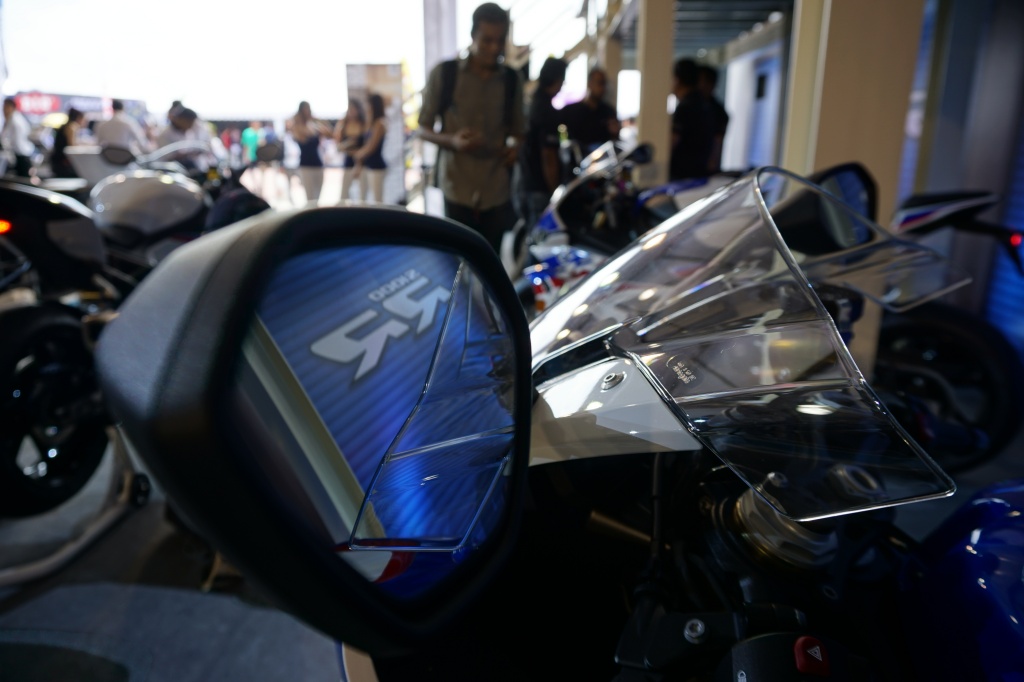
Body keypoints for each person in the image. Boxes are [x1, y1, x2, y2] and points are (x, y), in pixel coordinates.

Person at [418, 2, 525, 255]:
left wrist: (514, 148)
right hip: (457, 188)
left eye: (500, 41)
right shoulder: (445, 74)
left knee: (489, 261)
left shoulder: (512, 80)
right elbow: (422, 129)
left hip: (496, 189)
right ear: (472, 35)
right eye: (487, 40)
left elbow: (518, 131)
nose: (494, 48)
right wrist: (452, 141)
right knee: (455, 262)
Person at [519, 57, 567, 230]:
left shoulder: (530, 104)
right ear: (557, 80)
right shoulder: (547, 111)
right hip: (540, 187)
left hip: (525, 182)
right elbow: (548, 156)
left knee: (532, 235)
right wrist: (555, 193)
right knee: (542, 239)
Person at [669, 58, 715, 181]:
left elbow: (672, 142)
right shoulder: (704, 103)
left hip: (684, 177)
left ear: (677, 80)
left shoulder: (686, 106)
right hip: (699, 173)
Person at [560, 67, 620, 155]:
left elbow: (614, 141)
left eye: (604, 84)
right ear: (590, 83)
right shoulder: (572, 111)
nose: (602, 88)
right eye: (599, 83)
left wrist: (615, 133)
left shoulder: (608, 112)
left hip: (602, 159)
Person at [290, 101, 331, 205]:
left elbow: (329, 133)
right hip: (305, 164)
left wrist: (318, 121)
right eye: (304, 109)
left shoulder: (314, 125)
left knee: (318, 198)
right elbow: (302, 138)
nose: (307, 111)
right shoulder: (297, 127)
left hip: (317, 163)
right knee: (310, 198)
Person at [350, 93, 389, 203]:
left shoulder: (380, 123)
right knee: (363, 198)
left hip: (376, 166)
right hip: (367, 165)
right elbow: (365, 145)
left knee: (378, 200)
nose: (366, 107)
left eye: (368, 104)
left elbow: (371, 147)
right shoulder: (370, 123)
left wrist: (357, 154)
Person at [697, 64, 729, 174]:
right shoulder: (697, 105)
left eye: (700, 81)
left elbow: (718, 141)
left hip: (704, 169)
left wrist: (712, 166)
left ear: (710, 83)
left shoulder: (718, 111)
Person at [333, 99, 366, 202]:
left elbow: (365, 146)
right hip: (348, 161)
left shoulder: (363, 124)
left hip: (361, 162)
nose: (351, 112)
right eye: (350, 109)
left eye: (353, 109)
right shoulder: (344, 125)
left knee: (362, 194)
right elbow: (338, 145)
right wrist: (346, 145)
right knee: (344, 193)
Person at [1, 97, 36, 177]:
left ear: (10, 107)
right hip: (20, 154)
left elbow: (12, 140)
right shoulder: (15, 118)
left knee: (22, 180)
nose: (3, 110)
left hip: (21, 155)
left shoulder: (14, 120)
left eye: (5, 107)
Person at [49, 107, 85, 178]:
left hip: (57, 160)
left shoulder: (66, 126)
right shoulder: (72, 127)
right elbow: (72, 147)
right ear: (79, 118)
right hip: (63, 162)